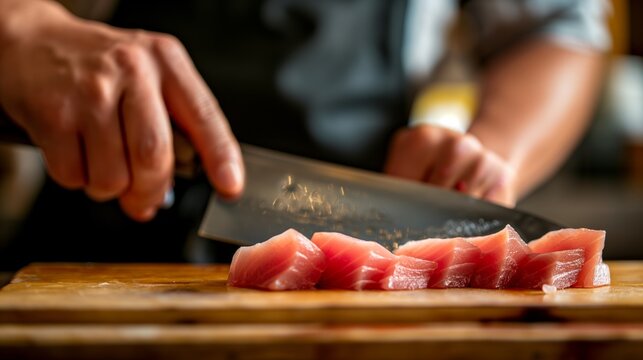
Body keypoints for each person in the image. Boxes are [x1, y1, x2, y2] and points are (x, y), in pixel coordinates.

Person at [0, 0, 609, 266]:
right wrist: (20, 28)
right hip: (89, 229)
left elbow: (557, 26)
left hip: (359, 261)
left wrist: (492, 152)